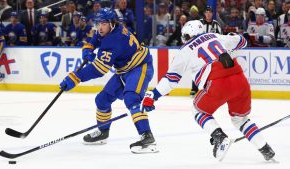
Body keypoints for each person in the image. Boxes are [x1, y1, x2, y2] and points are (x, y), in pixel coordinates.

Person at [141, 20, 275, 161]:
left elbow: (171, 79)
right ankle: (265, 149)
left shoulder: (185, 50)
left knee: (198, 111)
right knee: (240, 120)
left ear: (186, 35)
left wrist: (153, 95)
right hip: (240, 79)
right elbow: (242, 41)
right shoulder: (214, 36)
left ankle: (219, 137)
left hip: (217, 82)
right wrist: (233, 35)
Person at [59, 7, 158, 154]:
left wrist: (76, 77)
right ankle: (103, 132)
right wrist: (89, 48)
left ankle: (147, 137)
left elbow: (98, 70)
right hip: (124, 70)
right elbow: (96, 38)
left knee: (131, 98)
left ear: (112, 23)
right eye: (98, 23)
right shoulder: (112, 29)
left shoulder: (113, 40)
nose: (100, 27)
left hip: (140, 67)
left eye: (103, 23)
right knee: (102, 100)